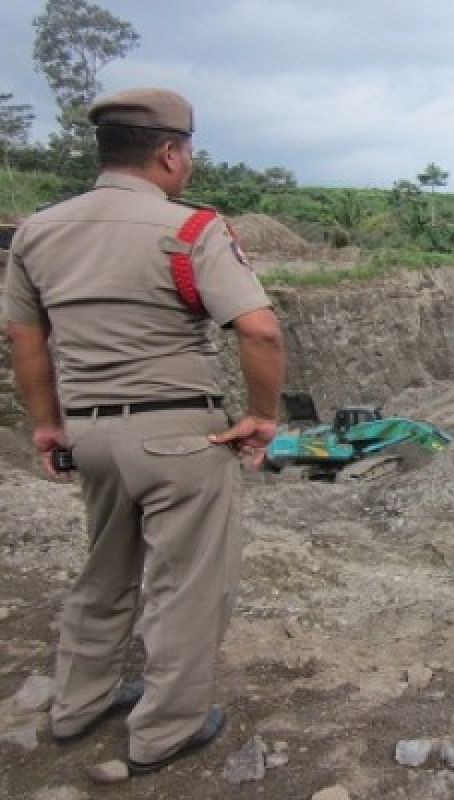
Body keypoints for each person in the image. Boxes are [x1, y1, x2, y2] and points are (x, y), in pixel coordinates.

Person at [3, 87, 285, 774]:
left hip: (93, 436)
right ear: (167, 152)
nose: (186, 167)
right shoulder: (190, 230)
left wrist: (47, 425)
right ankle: (164, 730)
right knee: (186, 587)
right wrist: (262, 415)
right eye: (185, 153)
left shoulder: (38, 231)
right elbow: (258, 328)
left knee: (104, 572)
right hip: (181, 439)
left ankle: (77, 705)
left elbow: (24, 339)